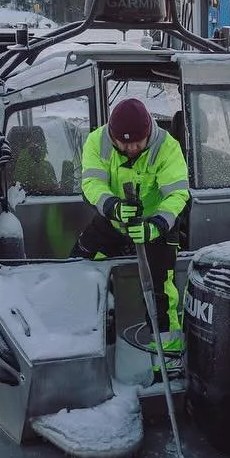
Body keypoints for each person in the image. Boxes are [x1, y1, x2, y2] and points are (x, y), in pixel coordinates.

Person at [74, 97, 190, 367]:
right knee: (78, 264)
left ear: (148, 132)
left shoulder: (167, 147)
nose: (130, 149)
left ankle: (166, 361)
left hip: (155, 227)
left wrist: (156, 225)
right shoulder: (97, 142)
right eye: (123, 143)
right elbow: (91, 183)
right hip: (114, 221)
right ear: (112, 136)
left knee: (162, 293)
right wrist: (112, 206)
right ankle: (82, 339)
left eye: (137, 142)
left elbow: (177, 194)